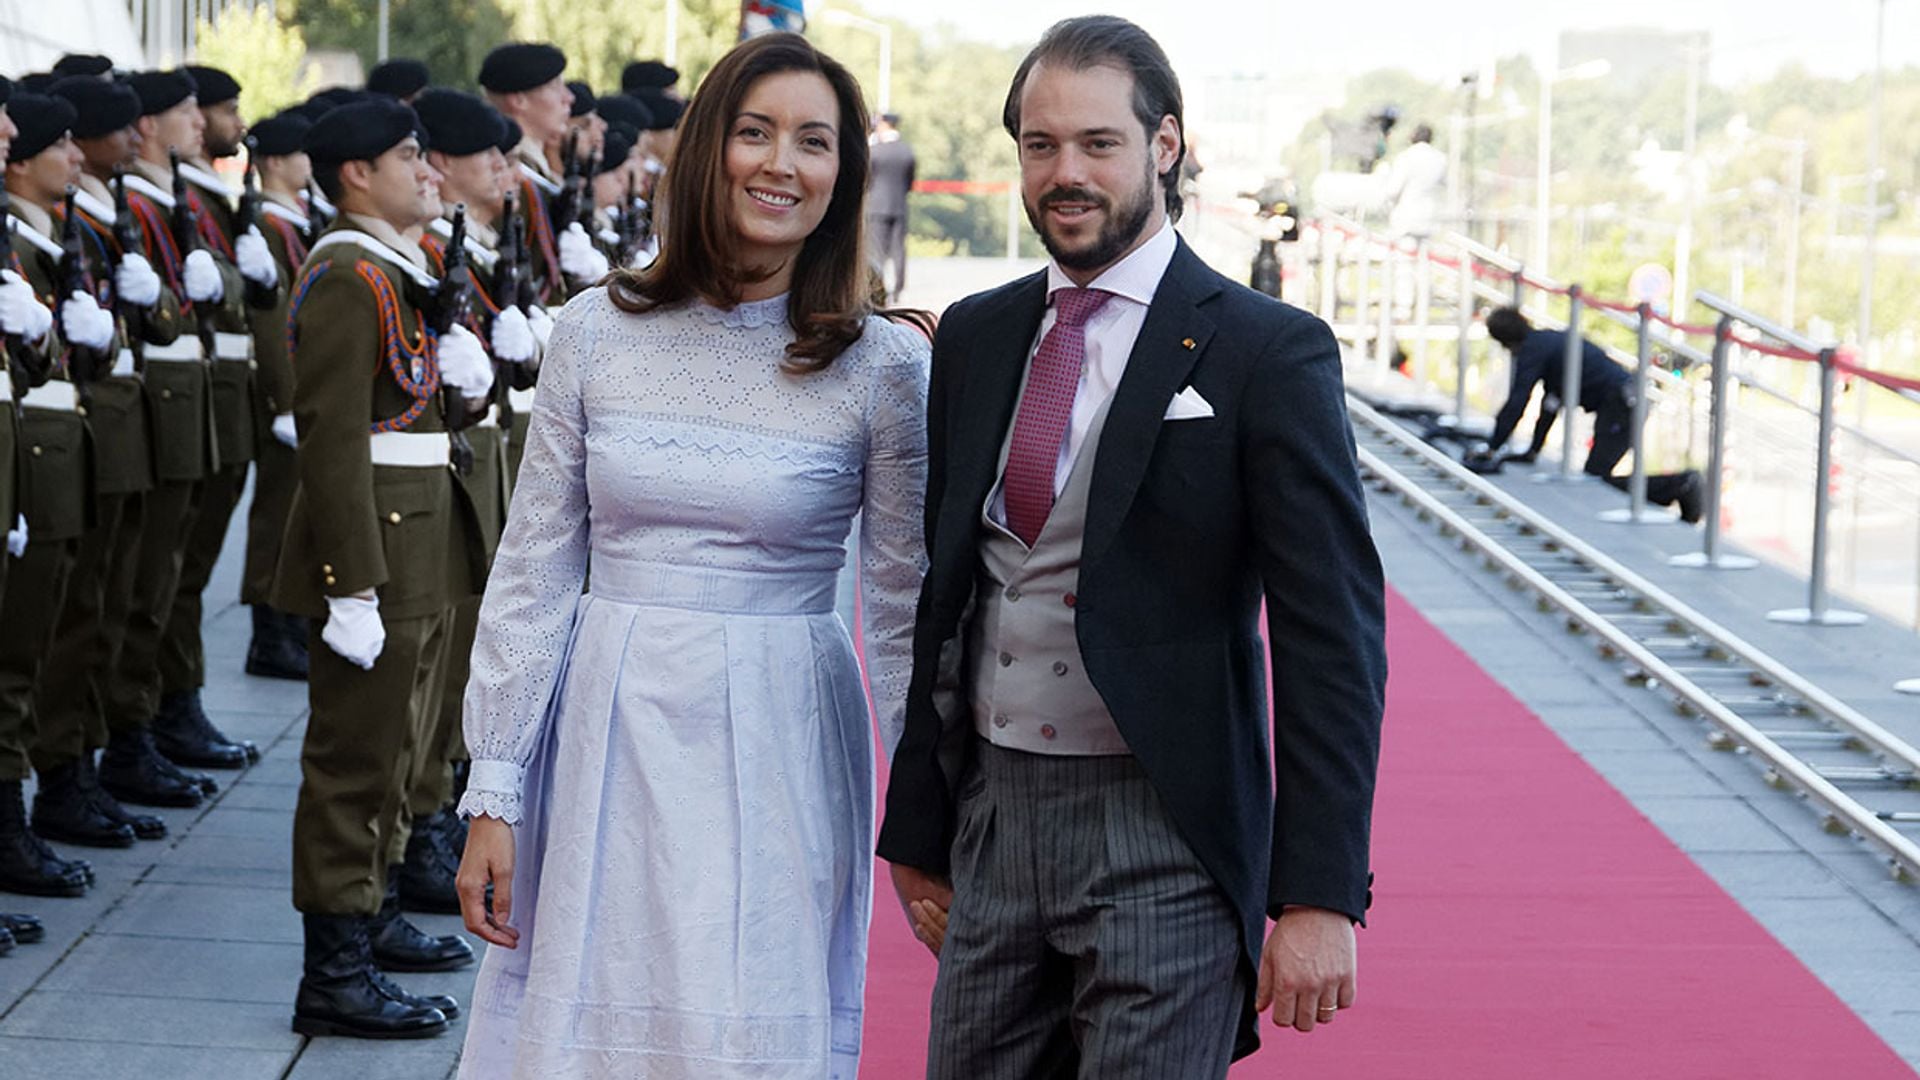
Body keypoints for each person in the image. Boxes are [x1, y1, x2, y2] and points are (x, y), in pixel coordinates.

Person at [878, 16, 1386, 1078]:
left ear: (1164, 146)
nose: (1065, 172)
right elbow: (950, 593)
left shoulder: (1266, 351)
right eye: (1039, 144)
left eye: (1098, 143)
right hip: (993, 822)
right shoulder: (973, 334)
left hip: (1163, 831)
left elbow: (1330, 635)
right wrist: (917, 826)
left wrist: (1323, 891)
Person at [452, 31, 929, 1076]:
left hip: (785, 732)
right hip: (605, 729)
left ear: (842, 175)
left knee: (744, 1016)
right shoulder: (594, 330)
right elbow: (533, 568)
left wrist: (930, 810)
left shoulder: (884, 363)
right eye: (755, 133)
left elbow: (900, 608)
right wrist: (495, 789)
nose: (781, 163)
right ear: (709, 147)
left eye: (814, 141)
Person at [275, 97, 495, 1039]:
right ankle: (333, 973)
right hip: (377, 549)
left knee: (404, 750)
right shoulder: (346, 276)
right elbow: (329, 441)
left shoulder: (399, 269)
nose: (428, 171)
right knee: (355, 763)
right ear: (357, 173)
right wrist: (347, 585)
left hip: (421, 537)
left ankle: (370, 926)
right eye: (411, 156)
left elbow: (407, 408)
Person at [156, 64, 282, 769]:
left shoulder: (214, 194)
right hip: (181, 395)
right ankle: (154, 716)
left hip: (217, 392)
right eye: (213, 110)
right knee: (158, 578)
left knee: (182, 571)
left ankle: (171, 708)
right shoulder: (181, 197)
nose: (218, 124)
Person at [1474, 306, 1705, 521]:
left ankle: (1680, 485)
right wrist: (1532, 450)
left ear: (1505, 340)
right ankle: (1678, 487)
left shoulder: (1534, 350)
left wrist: (1493, 447)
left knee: (1595, 480)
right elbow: (1551, 402)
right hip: (1623, 401)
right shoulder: (1548, 343)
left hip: (1622, 404)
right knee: (1594, 477)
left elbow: (1518, 401)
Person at [241, 109, 316, 680]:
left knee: (295, 509)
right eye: (300, 154)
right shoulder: (269, 224)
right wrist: (285, 399)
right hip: (283, 396)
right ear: (273, 162)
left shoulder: (294, 222)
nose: (309, 165)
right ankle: (270, 631)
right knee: (275, 513)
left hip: (302, 391)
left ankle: (286, 623)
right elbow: (272, 322)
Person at [865, 110, 914, 302]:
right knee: (898, 250)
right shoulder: (906, 151)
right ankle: (899, 289)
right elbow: (909, 181)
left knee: (877, 250)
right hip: (899, 205)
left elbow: (867, 179)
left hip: (876, 206)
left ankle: (879, 288)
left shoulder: (875, 151)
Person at [1381, 122, 1446, 240]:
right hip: (1429, 217)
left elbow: (1393, 190)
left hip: (1406, 217)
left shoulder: (1406, 157)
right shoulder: (1440, 159)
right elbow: (1443, 186)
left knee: (1404, 255)